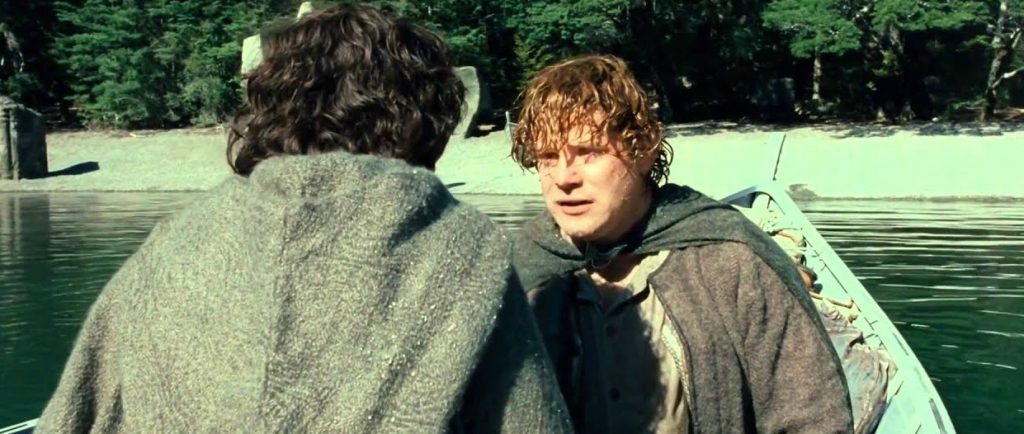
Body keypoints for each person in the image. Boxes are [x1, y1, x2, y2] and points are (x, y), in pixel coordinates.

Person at [36, 5, 572, 433]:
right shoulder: (463, 251)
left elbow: (75, 415)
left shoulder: (173, 245)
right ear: (417, 121)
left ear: (272, 109)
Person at [511, 54, 854, 433]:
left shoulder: (730, 260)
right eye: (547, 158)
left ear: (644, 149)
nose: (564, 178)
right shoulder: (523, 271)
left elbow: (813, 417)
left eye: (589, 152)